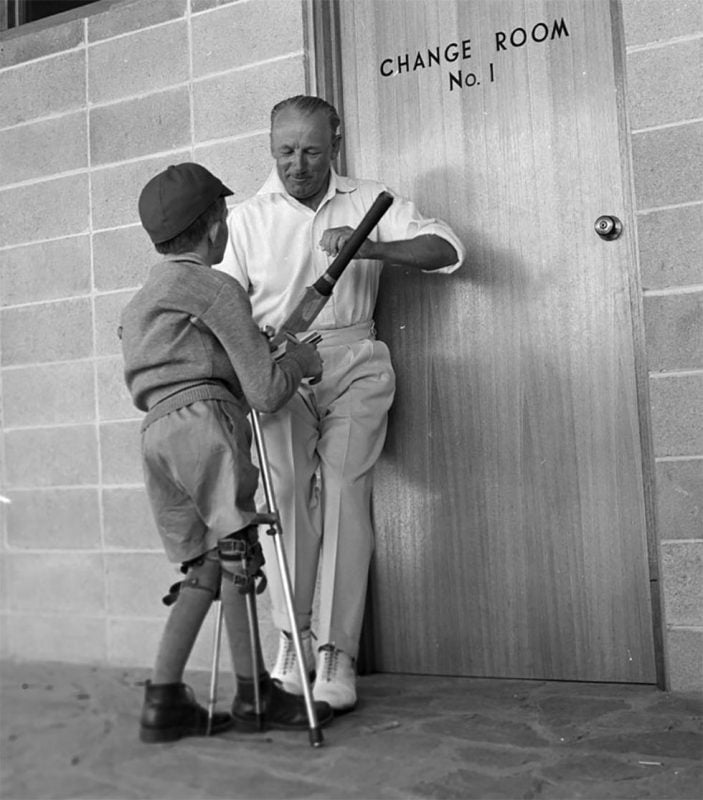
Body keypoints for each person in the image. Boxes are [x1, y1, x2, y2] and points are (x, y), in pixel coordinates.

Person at [218, 95, 465, 713]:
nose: (297, 164)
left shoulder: (370, 200)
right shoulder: (245, 219)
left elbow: (449, 250)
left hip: (355, 359)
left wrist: (371, 247)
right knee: (289, 501)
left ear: (336, 141)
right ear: (270, 145)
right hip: (279, 367)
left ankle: (335, 653)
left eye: (311, 150)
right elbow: (222, 305)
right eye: (285, 151)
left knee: (348, 493)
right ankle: (291, 640)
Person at [119, 161, 333, 743]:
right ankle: (254, 697)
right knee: (238, 552)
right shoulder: (216, 287)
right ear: (215, 224)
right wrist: (300, 362)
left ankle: (163, 702)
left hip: (157, 434)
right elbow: (263, 392)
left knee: (207, 564)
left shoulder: (142, 299)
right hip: (203, 425)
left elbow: (188, 368)